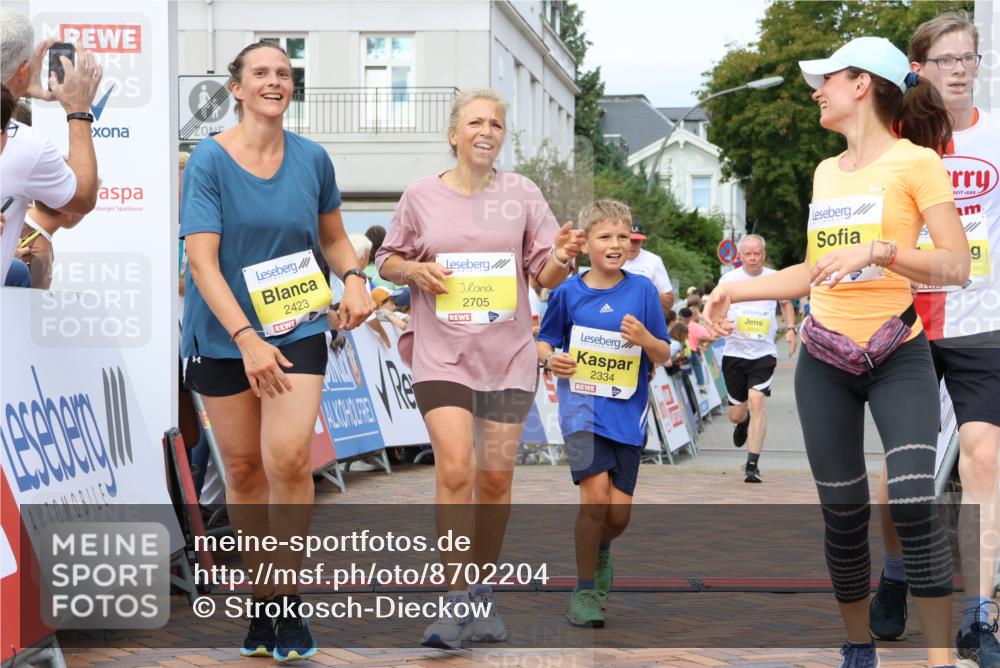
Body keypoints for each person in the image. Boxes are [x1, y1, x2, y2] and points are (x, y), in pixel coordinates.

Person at [704, 36, 970, 668]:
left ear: (862, 84)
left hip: (897, 353)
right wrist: (732, 289)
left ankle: (939, 660)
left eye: (826, 79)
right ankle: (858, 645)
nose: (816, 92)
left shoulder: (917, 164)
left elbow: (956, 265)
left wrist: (881, 252)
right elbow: (812, 271)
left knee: (913, 502)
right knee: (844, 514)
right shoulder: (826, 172)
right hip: (825, 361)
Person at [180, 41, 373, 662]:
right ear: (236, 88)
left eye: (284, 73)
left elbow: (335, 239)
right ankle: (262, 602)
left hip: (296, 328)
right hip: (223, 335)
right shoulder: (207, 161)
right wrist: (245, 338)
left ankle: (287, 602)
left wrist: (354, 279)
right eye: (260, 73)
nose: (274, 81)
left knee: (288, 459)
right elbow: (202, 264)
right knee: (242, 471)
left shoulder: (312, 158)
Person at [375, 88, 583, 648]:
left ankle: (482, 597)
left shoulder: (522, 194)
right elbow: (387, 259)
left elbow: (544, 275)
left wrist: (562, 254)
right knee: (456, 469)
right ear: (454, 134)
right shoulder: (421, 195)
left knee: (494, 479)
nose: (486, 130)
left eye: (495, 123)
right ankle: (453, 602)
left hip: (507, 356)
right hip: (441, 353)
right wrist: (413, 272)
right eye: (475, 122)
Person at [868, 14, 1000, 665]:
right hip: (908, 321)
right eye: (945, 59)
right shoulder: (894, 141)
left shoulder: (997, 133)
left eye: (967, 57)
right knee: (905, 473)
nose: (959, 69)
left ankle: (979, 617)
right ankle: (895, 573)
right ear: (917, 68)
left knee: (986, 459)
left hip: (983, 323)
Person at [536, 199, 670, 629]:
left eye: (622, 236)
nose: (615, 244)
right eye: (605, 236)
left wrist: (645, 338)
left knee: (617, 516)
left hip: (628, 414)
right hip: (582, 411)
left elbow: (664, 353)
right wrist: (550, 359)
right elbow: (543, 340)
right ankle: (584, 590)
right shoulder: (568, 292)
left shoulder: (643, 291)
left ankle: (600, 548)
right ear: (586, 243)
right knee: (594, 500)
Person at [0, 9, 102, 282]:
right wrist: (78, 110)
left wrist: (18, 89)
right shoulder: (26, 145)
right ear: (24, 70)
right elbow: (82, 197)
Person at [715, 234, 797, 483]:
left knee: (757, 400)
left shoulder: (775, 277)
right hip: (734, 352)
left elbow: (786, 303)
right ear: (740, 256)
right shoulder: (729, 279)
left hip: (763, 353)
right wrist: (720, 323)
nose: (752, 258)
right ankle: (743, 423)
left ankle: (752, 464)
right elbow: (717, 308)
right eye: (748, 254)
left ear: (764, 254)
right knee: (736, 414)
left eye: (757, 253)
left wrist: (791, 329)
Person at [622, 220, 675, 310]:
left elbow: (669, 302)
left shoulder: (653, 261)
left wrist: (647, 291)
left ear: (642, 241)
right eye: (629, 240)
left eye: (637, 241)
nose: (632, 245)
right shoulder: (610, 259)